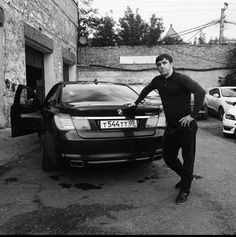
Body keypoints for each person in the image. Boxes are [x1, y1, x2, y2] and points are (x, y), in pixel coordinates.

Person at [129, 53, 205, 204]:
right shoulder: (157, 81)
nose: (161, 66)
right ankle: (187, 177)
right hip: (171, 126)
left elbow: (200, 92)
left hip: (186, 127)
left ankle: (185, 189)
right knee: (169, 158)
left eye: (164, 63)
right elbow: (146, 90)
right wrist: (135, 103)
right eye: (158, 64)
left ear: (171, 64)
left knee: (188, 158)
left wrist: (192, 115)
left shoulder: (181, 78)